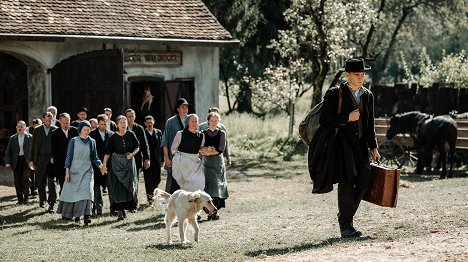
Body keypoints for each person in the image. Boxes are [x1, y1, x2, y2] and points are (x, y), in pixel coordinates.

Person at [318, 58, 381, 238]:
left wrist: (373, 148)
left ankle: (345, 217)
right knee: (346, 184)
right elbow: (324, 120)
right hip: (341, 147)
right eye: (357, 74)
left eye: (363, 74)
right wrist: (347, 117)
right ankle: (346, 227)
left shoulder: (368, 95)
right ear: (348, 75)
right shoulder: (334, 93)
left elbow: (370, 125)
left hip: (361, 148)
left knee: (364, 181)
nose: (361, 77)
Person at [57, 121, 105, 225]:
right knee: (75, 194)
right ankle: (77, 216)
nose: (87, 132)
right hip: (74, 170)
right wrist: (67, 171)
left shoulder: (92, 141)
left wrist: (100, 165)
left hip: (87, 170)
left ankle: (87, 215)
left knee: (87, 192)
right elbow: (68, 157)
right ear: (80, 130)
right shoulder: (73, 141)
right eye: (85, 130)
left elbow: (94, 157)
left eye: (88, 130)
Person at [103, 115, 140, 221]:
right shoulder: (113, 137)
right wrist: (104, 165)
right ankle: (119, 211)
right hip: (116, 163)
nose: (123, 124)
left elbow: (137, 147)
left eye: (125, 122)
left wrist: (132, 154)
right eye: (121, 123)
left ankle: (126, 208)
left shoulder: (131, 134)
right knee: (118, 187)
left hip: (129, 161)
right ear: (117, 124)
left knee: (128, 185)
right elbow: (107, 153)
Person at [200, 112, 229, 220]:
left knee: (218, 187)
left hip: (218, 163)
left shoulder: (222, 133)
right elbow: (200, 148)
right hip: (207, 164)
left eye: (216, 121)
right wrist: (207, 151)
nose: (213, 123)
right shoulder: (203, 133)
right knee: (209, 188)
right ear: (208, 121)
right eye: (212, 120)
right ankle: (211, 212)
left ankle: (214, 212)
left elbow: (221, 148)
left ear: (218, 122)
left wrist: (209, 152)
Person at [29, 112, 58, 211]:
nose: (49, 122)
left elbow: (57, 146)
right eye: (47, 120)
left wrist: (55, 157)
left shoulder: (55, 129)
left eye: (50, 120)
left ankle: (52, 202)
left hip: (51, 160)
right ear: (43, 119)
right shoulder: (37, 130)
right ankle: (42, 201)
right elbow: (33, 146)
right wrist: (32, 160)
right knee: (40, 181)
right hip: (40, 159)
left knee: (51, 182)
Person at [171, 114, 206, 192]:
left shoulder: (201, 135)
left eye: (196, 121)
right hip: (182, 162)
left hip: (195, 164)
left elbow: (200, 149)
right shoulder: (180, 133)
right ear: (188, 123)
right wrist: (180, 159)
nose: (194, 123)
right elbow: (173, 149)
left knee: (199, 182)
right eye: (192, 121)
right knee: (179, 186)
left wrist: (207, 150)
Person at [162, 98, 189, 193]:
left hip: (188, 157)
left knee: (187, 178)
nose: (185, 109)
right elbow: (164, 141)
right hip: (173, 156)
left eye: (186, 107)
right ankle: (168, 201)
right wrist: (166, 158)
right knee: (171, 179)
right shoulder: (170, 122)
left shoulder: (192, 120)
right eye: (182, 107)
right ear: (178, 109)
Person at [89, 114, 114, 216]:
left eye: (105, 124)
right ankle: (98, 209)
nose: (104, 126)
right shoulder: (92, 135)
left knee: (111, 187)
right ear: (98, 124)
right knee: (97, 188)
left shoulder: (112, 135)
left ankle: (113, 209)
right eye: (101, 124)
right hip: (96, 166)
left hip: (110, 165)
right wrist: (98, 165)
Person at [4, 121, 33, 205]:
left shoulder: (30, 137)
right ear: (16, 127)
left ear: (25, 127)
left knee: (25, 179)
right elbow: (8, 151)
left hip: (26, 161)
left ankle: (26, 197)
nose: (20, 128)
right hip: (16, 162)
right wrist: (7, 161)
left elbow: (34, 150)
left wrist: (33, 161)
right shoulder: (12, 138)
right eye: (18, 126)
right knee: (17, 181)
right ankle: (20, 199)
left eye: (22, 126)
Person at [51, 113, 78, 194]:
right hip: (61, 163)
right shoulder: (54, 133)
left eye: (67, 122)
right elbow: (54, 150)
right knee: (64, 183)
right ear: (59, 122)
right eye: (63, 123)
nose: (66, 125)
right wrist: (64, 162)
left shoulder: (75, 131)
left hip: (74, 162)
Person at [143, 115, 163, 206]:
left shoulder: (158, 132)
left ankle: (154, 192)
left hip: (156, 159)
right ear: (145, 124)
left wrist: (162, 159)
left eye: (151, 122)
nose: (149, 124)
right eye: (148, 123)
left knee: (157, 179)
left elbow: (162, 146)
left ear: (153, 122)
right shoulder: (143, 133)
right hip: (147, 160)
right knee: (148, 179)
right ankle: (150, 199)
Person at [125, 109, 150, 173]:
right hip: (125, 158)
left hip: (137, 157)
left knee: (135, 179)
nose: (131, 118)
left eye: (132, 116)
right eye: (129, 116)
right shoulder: (122, 128)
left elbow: (144, 144)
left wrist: (147, 159)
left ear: (135, 117)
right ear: (126, 117)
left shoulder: (139, 128)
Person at [26, 117, 42, 196]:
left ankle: (38, 188)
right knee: (31, 173)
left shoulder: (42, 130)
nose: (36, 127)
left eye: (38, 125)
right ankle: (32, 188)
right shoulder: (28, 130)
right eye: (35, 126)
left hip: (40, 154)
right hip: (31, 153)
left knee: (39, 172)